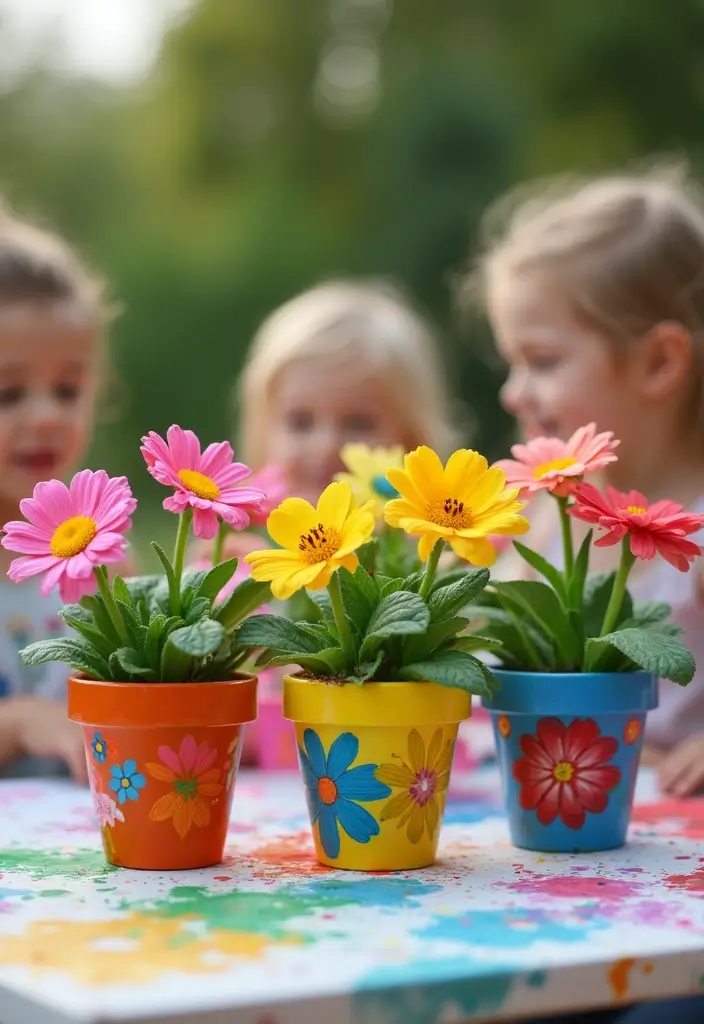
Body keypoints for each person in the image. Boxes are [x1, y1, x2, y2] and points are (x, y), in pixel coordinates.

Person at [468, 164, 704, 795]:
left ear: (659, 362)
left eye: (541, 361)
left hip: (657, 840)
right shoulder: (547, 515)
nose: (513, 392)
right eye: (512, 361)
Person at [0, 201, 110, 780]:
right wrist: (18, 723)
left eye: (67, 391)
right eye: (9, 394)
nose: (46, 416)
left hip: (80, 861)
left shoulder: (103, 559)